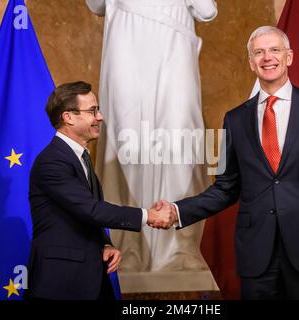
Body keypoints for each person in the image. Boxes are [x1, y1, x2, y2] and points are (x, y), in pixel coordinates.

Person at [157, 26, 299, 300]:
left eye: (274, 50)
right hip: (256, 256)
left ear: (289, 57)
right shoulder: (234, 119)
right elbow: (225, 188)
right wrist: (178, 210)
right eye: (259, 52)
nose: (267, 57)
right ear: (252, 63)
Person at [86, 0, 218, 272]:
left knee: (180, 138)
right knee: (126, 141)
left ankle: (180, 245)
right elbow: (96, 4)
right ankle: (130, 244)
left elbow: (207, 11)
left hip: (174, 39)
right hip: (125, 37)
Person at [25, 81, 174, 300]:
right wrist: (148, 215)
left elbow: (78, 215)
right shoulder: (52, 162)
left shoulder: (79, 158)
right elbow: (91, 209)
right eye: (92, 111)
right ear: (68, 117)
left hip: (87, 279)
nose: (100, 117)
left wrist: (103, 244)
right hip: (60, 284)